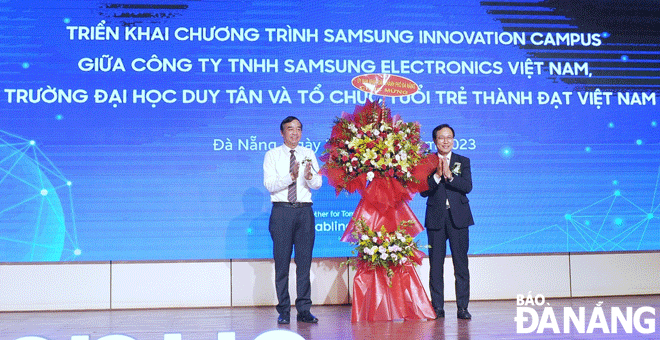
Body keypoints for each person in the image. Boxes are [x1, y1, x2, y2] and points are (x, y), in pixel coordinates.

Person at [263, 116, 322, 324]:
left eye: (298, 129)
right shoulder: (272, 155)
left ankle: (304, 309)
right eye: (290, 129)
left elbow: (317, 184)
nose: (294, 133)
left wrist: (308, 175)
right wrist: (292, 176)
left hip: (304, 212)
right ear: (282, 133)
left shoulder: (308, 153)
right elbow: (270, 185)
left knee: (304, 263)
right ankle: (284, 311)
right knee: (282, 263)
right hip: (282, 212)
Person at [420, 124, 474, 320]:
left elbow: (467, 186)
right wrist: (436, 175)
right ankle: (437, 308)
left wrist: (450, 177)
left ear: (453, 139)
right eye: (441, 137)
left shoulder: (462, 161)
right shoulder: (426, 161)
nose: (445, 141)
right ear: (435, 141)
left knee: (461, 264)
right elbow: (423, 190)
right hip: (436, 219)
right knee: (436, 265)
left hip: (459, 219)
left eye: (449, 137)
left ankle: (462, 308)